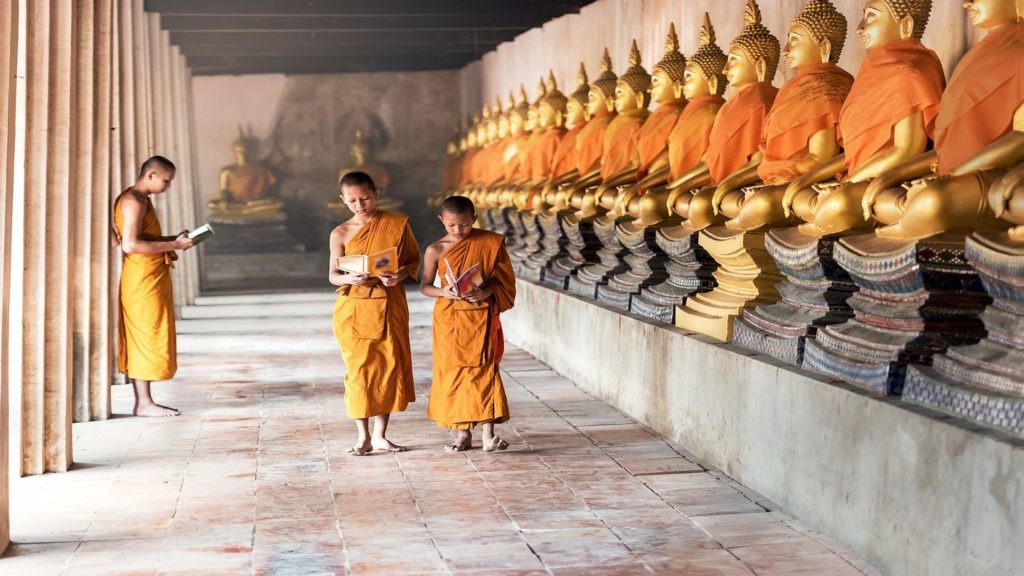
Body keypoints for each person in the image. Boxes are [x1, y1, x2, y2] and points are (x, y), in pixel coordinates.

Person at [329, 171, 420, 455]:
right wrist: (349, 279)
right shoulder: (340, 233)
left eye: (365, 198)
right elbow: (333, 274)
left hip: (389, 303)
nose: (360, 205)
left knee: (387, 368)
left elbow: (412, 261)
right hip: (354, 309)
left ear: (377, 194)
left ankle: (380, 436)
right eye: (353, 200)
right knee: (359, 372)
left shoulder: (397, 224)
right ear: (343, 200)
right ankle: (362, 436)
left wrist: (398, 275)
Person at [420, 195, 517, 452]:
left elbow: (505, 281)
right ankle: (462, 433)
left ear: (474, 219)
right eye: (451, 225)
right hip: (449, 318)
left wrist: (486, 292)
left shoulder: (490, 242)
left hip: (479, 314)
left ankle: (488, 435)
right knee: (453, 374)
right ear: (441, 220)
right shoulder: (435, 250)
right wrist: (444, 292)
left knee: (483, 370)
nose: (458, 231)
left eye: (464, 225)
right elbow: (425, 286)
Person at [113, 156, 194, 417]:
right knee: (146, 334)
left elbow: (143, 238)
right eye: (166, 181)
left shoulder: (142, 200)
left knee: (151, 331)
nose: (168, 187)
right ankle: (144, 403)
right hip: (141, 278)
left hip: (150, 274)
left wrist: (175, 239)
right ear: (150, 175)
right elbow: (131, 245)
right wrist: (173, 246)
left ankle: (145, 401)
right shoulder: (133, 201)